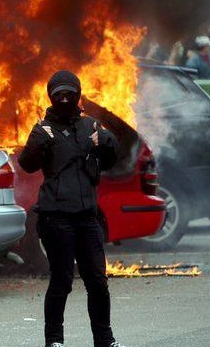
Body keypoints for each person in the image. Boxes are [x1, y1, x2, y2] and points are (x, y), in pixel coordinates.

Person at [19, 70, 123, 347]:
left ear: (77, 95)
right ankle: (54, 341)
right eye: (59, 95)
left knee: (98, 282)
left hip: (87, 219)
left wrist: (108, 141)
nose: (64, 99)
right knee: (62, 281)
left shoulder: (91, 126)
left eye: (69, 94)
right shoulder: (43, 129)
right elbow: (27, 164)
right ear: (51, 97)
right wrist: (37, 145)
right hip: (56, 219)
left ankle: (105, 341)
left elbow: (111, 158)